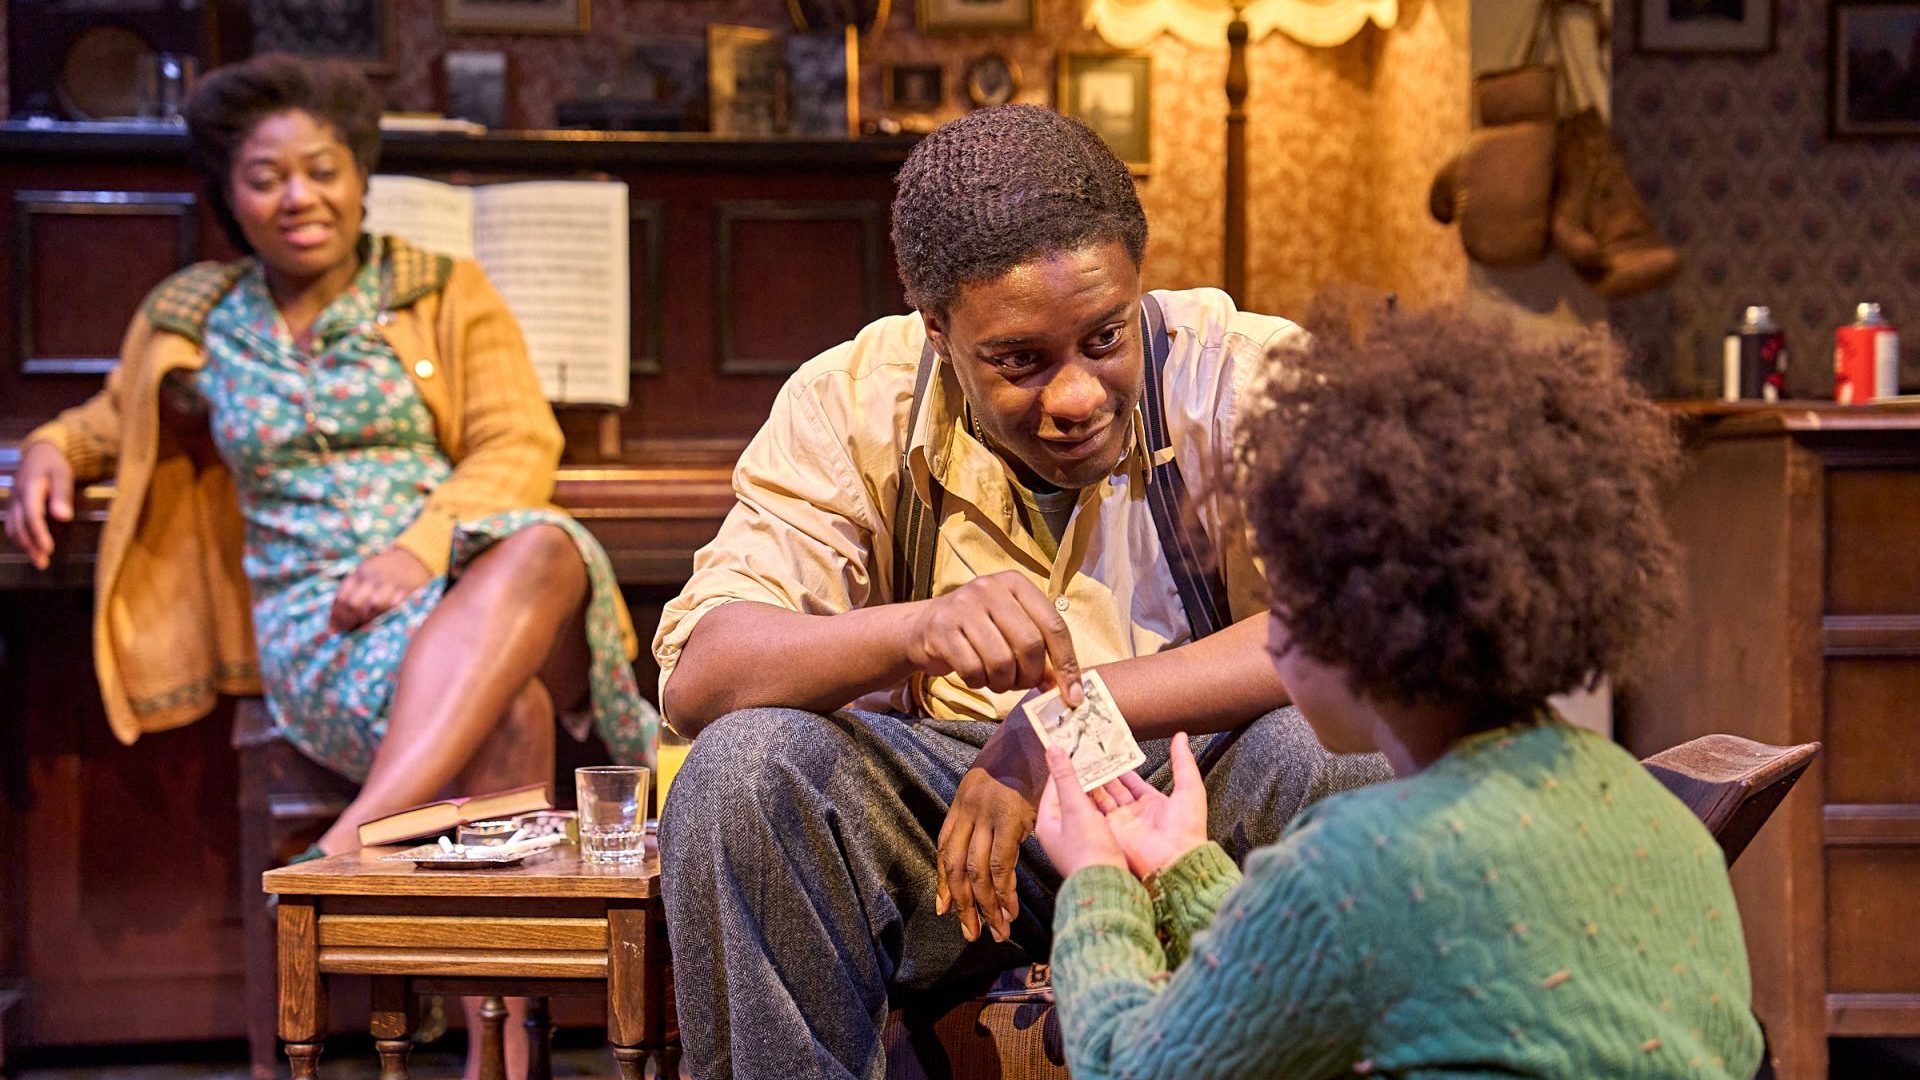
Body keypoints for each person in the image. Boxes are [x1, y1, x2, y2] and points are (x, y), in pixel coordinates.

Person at [653, 103, 1389, 1078]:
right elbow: (703, 679)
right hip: (948, 816)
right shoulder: (852, 396)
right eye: (1020, 361)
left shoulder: (1245, 373)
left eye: (1104, 337)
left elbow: (1342, 630)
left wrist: (1050, 725)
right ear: (938, 333)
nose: (1078, 394)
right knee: (745, 770)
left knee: (1329, 749)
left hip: (1188, 779)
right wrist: (915, 629)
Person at [2, 54, 655, 1079]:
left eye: (322, 168)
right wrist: (50, 446)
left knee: (542, 541)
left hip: (455, 572)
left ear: (360, 177)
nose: (298, 196)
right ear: (230, 196)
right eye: (266, 177)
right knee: (516, 709)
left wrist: (417, 546)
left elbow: (517, 445)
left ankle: (351, 845)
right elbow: (106, 420)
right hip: (322, 628)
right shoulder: (198, 317)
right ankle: (503, 1047)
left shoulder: (442, 287)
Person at [1032, 299, 1767, 1078]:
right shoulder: (1651, 809)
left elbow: (1128, 1069)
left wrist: (1096, 881)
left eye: (1289, 600)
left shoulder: (1354, 862)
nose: (1274, 635)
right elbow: (1336, 974)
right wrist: (1184, 866)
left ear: (1358, 626)